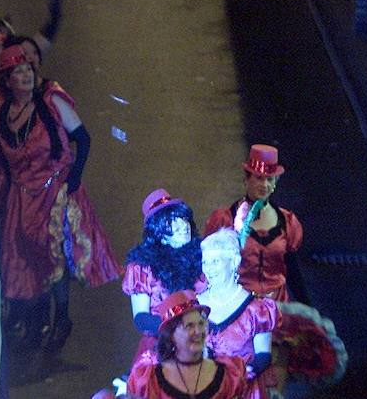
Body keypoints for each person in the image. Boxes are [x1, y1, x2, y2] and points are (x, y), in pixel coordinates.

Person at [0, 45, 117, 353]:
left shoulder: (52, 102)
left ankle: (61, 319)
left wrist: (72, 180)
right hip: (23, 194)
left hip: (53, 190)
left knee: (54, 256)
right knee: (25, 258)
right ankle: (33, 318)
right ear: (7, 81)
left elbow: (82, 139)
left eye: (28, 69)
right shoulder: (4, 113)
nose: (26, 75)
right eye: (18, 72)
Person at [203, 144, 303, 301]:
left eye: (269, 179)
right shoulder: (225, 220)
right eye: (258, 178)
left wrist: (305, 305)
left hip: (277, 307)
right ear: (246, 180)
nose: (264, 185)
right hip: (239, 305)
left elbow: (293, 269)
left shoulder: (287, 221)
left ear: (275, 183)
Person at [124, 190, 206, 369]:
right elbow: (140, 318)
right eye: (172, 224)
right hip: (160, 348)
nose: (183, 226)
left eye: (183, 219)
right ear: (160, 235)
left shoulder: (203, 257)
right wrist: (176, 330)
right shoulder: (142, 266)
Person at [127, 291, 250, 399]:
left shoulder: (229, 374)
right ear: (171, 334)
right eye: (189, 326)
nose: (198, 332)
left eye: (201, 324)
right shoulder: (148, 380)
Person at [200, 228, 278, 397]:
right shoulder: (193, 304)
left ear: (233, 262)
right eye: (205, 262)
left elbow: (263, 356)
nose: (209, 269)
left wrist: (233, 381)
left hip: (241, 391)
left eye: (216, 261)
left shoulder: (258, 309)